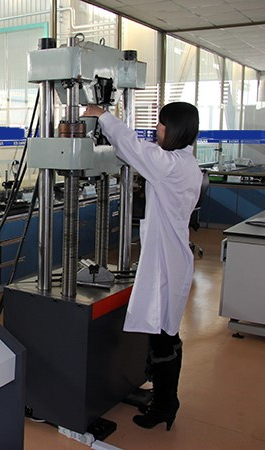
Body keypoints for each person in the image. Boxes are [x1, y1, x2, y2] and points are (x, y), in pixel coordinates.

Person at [83, 102, 202, 431]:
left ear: (175, 129)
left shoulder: (170, 166)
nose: (157, 130)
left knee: (164, 337)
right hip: (172, 259)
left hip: (167, 263)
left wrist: (102, 115)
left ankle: (164, 405)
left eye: (161, 125)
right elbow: (136, 152)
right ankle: (163, 397)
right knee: (165, 333)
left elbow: (133, 146)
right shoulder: (184, 162)